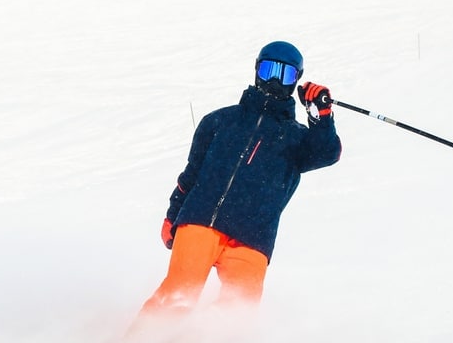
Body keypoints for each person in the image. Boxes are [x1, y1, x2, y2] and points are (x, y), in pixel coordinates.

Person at [135, 41, 342, 322]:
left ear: (296, 80)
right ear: (257, 69)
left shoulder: (297, 139)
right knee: (178, 294)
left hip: (252, 237)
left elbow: (327, 153)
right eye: (269, 69)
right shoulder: (219, 121)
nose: (274, 81)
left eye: (286, 75)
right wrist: (172, 216)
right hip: (201, 221)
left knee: (236, 316)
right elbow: (190, 175)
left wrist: (321, 116)